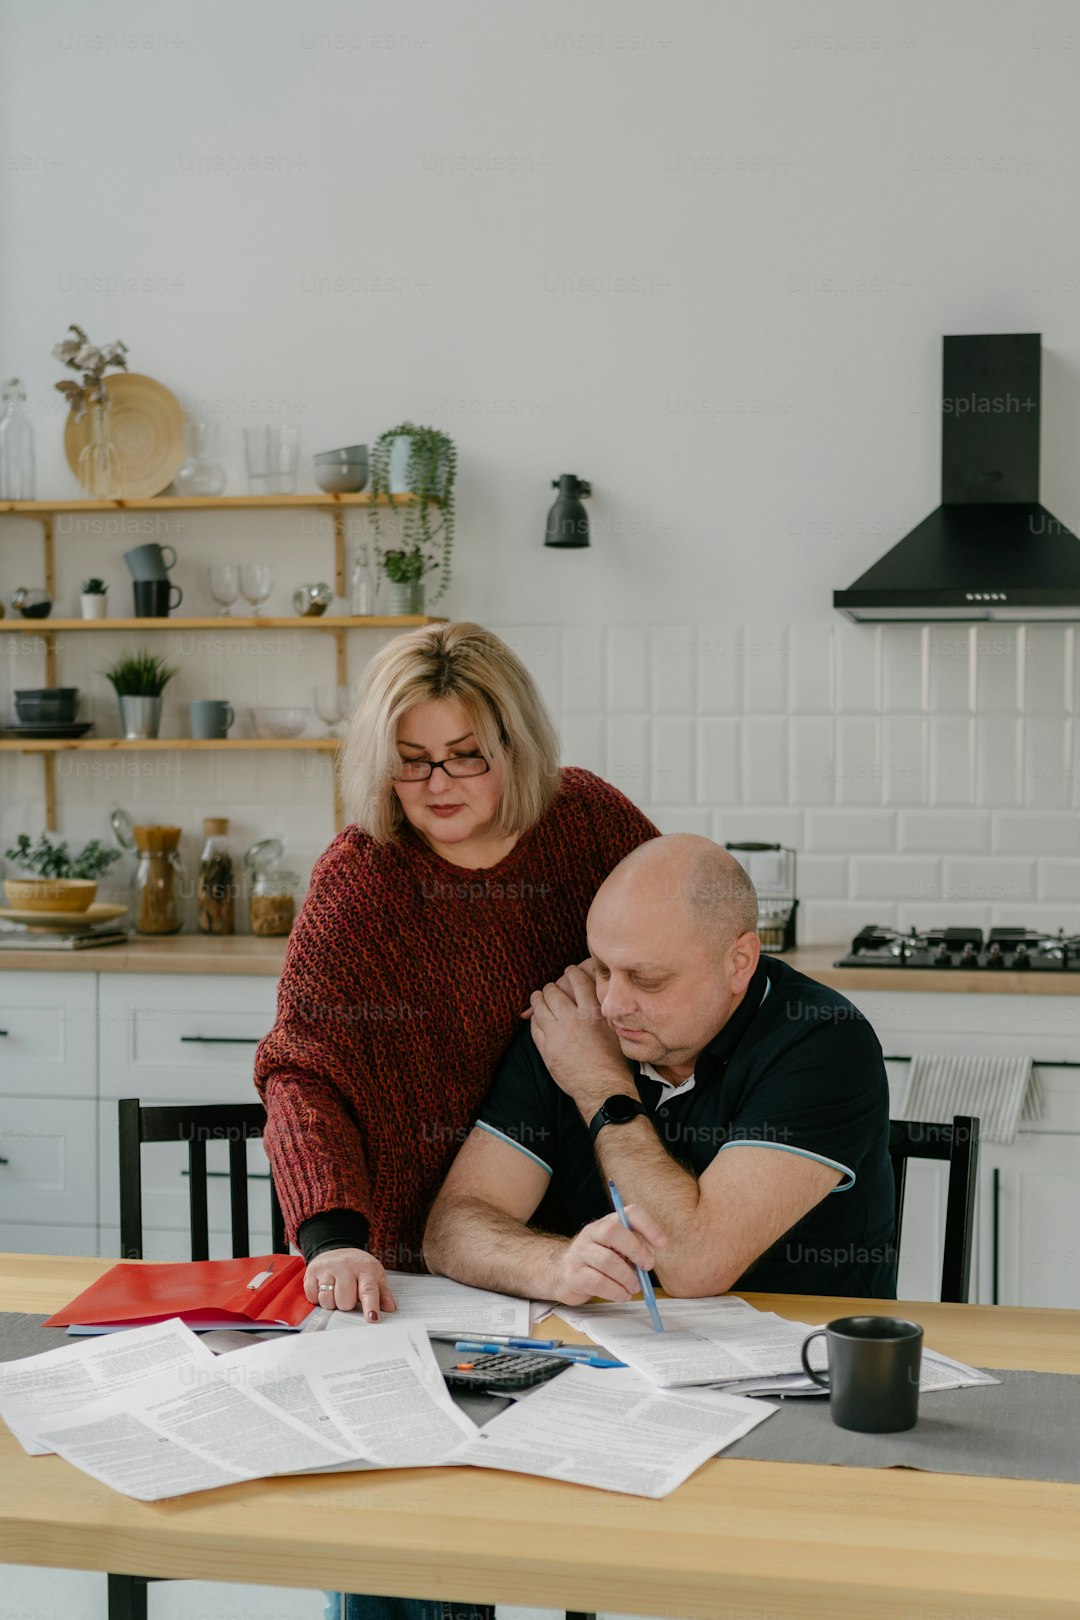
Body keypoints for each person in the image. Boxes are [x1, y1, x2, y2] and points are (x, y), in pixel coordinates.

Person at [253, 620, 657, 1620]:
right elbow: (302, 1075)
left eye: (465, 757)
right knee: (408, 1552)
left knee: (594, 1518)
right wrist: (333, 1238)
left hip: (573, 1251)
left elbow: (670, 952)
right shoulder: (360, 879)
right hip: (403, 1270)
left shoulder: (591, 826)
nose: (438, 786)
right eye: (410, 763)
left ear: (516, 745)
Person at [424, 834, 897, 1303]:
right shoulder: (575, 1024)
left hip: (806, 1362)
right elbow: (450, 1230)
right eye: (603, 968)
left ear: (739, 963)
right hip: (609, 1360)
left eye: (647, 979)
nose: (611, 1004)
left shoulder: (823, 1040)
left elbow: (692, 1265)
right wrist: (555, 1265)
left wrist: (601, 1089)